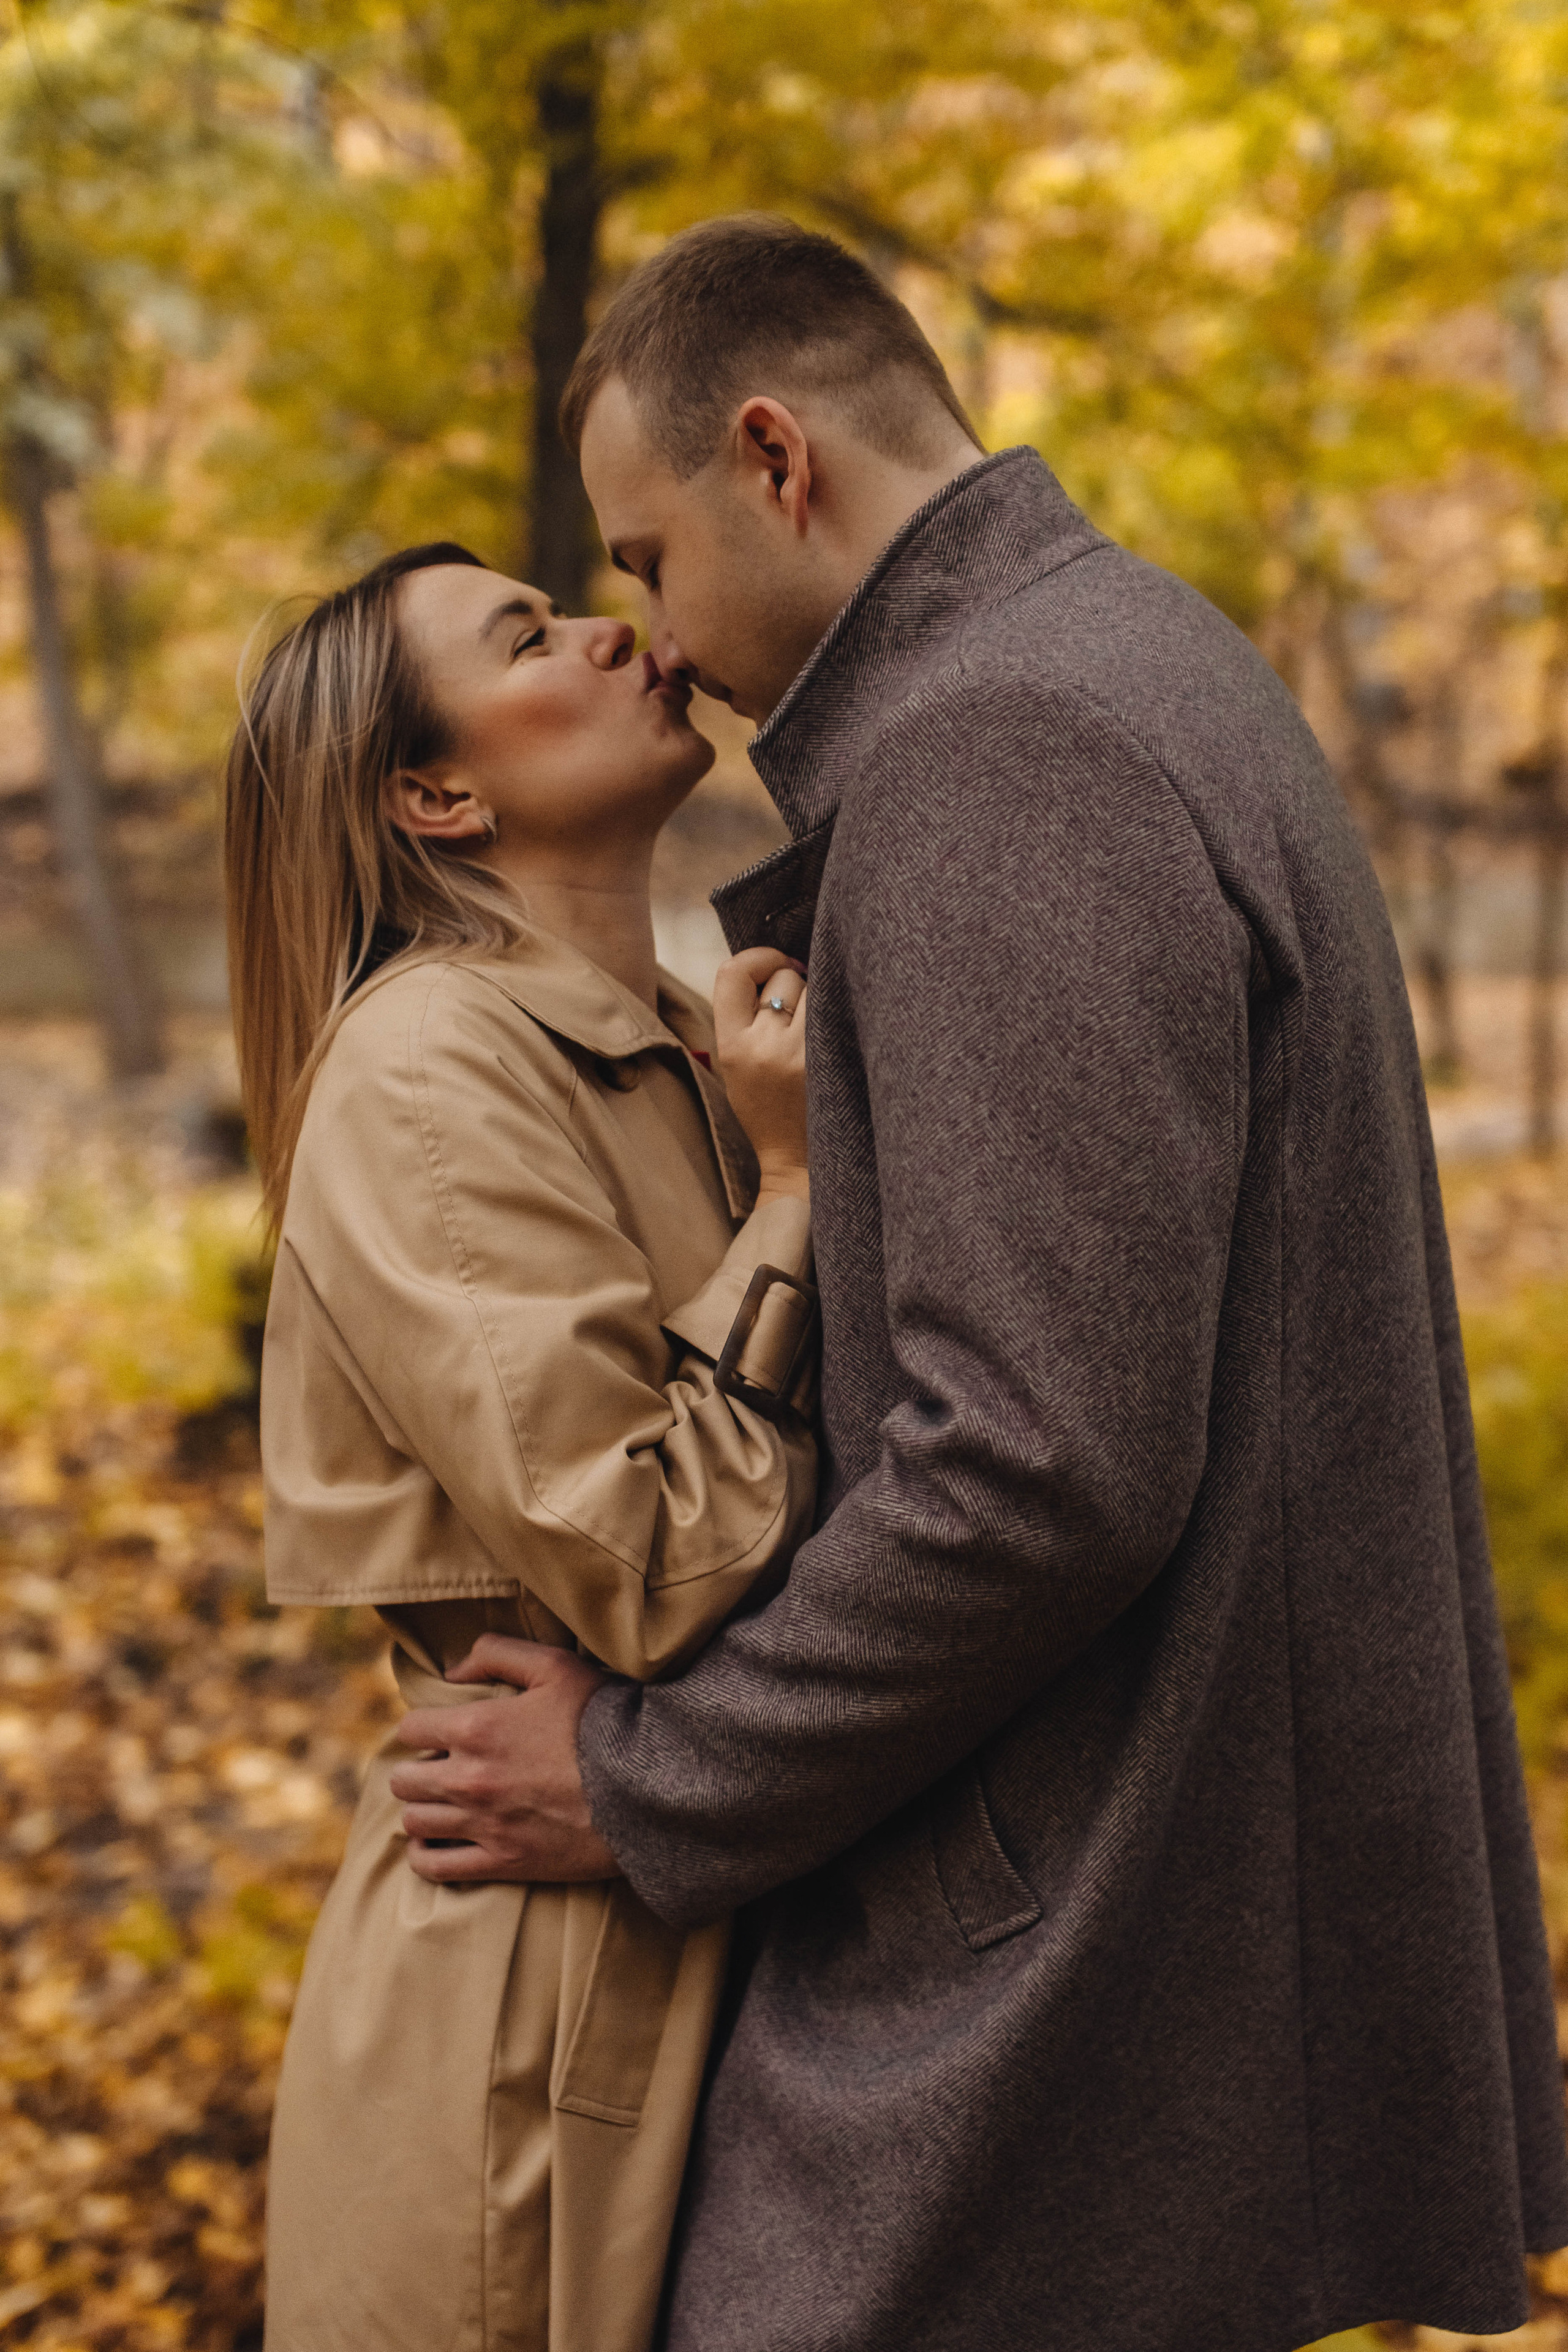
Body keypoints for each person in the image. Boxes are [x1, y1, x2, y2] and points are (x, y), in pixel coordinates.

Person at [391, 217, 1568, 2351]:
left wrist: (652, 1777)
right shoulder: (1137, 652)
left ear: (776, 456)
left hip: (1069, 1958)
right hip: (1176, 1913)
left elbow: (1040, 1466)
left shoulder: (995, 751)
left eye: (645, 559)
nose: (651, 633)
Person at [224, 539, 821, 2352]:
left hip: (683, 1920)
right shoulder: (424, 1069)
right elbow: (649, 1560)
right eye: (531, 634)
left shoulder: (663, 1038)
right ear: (439, 792)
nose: (614, 627)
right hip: (531, 2025)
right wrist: (796, 1190)